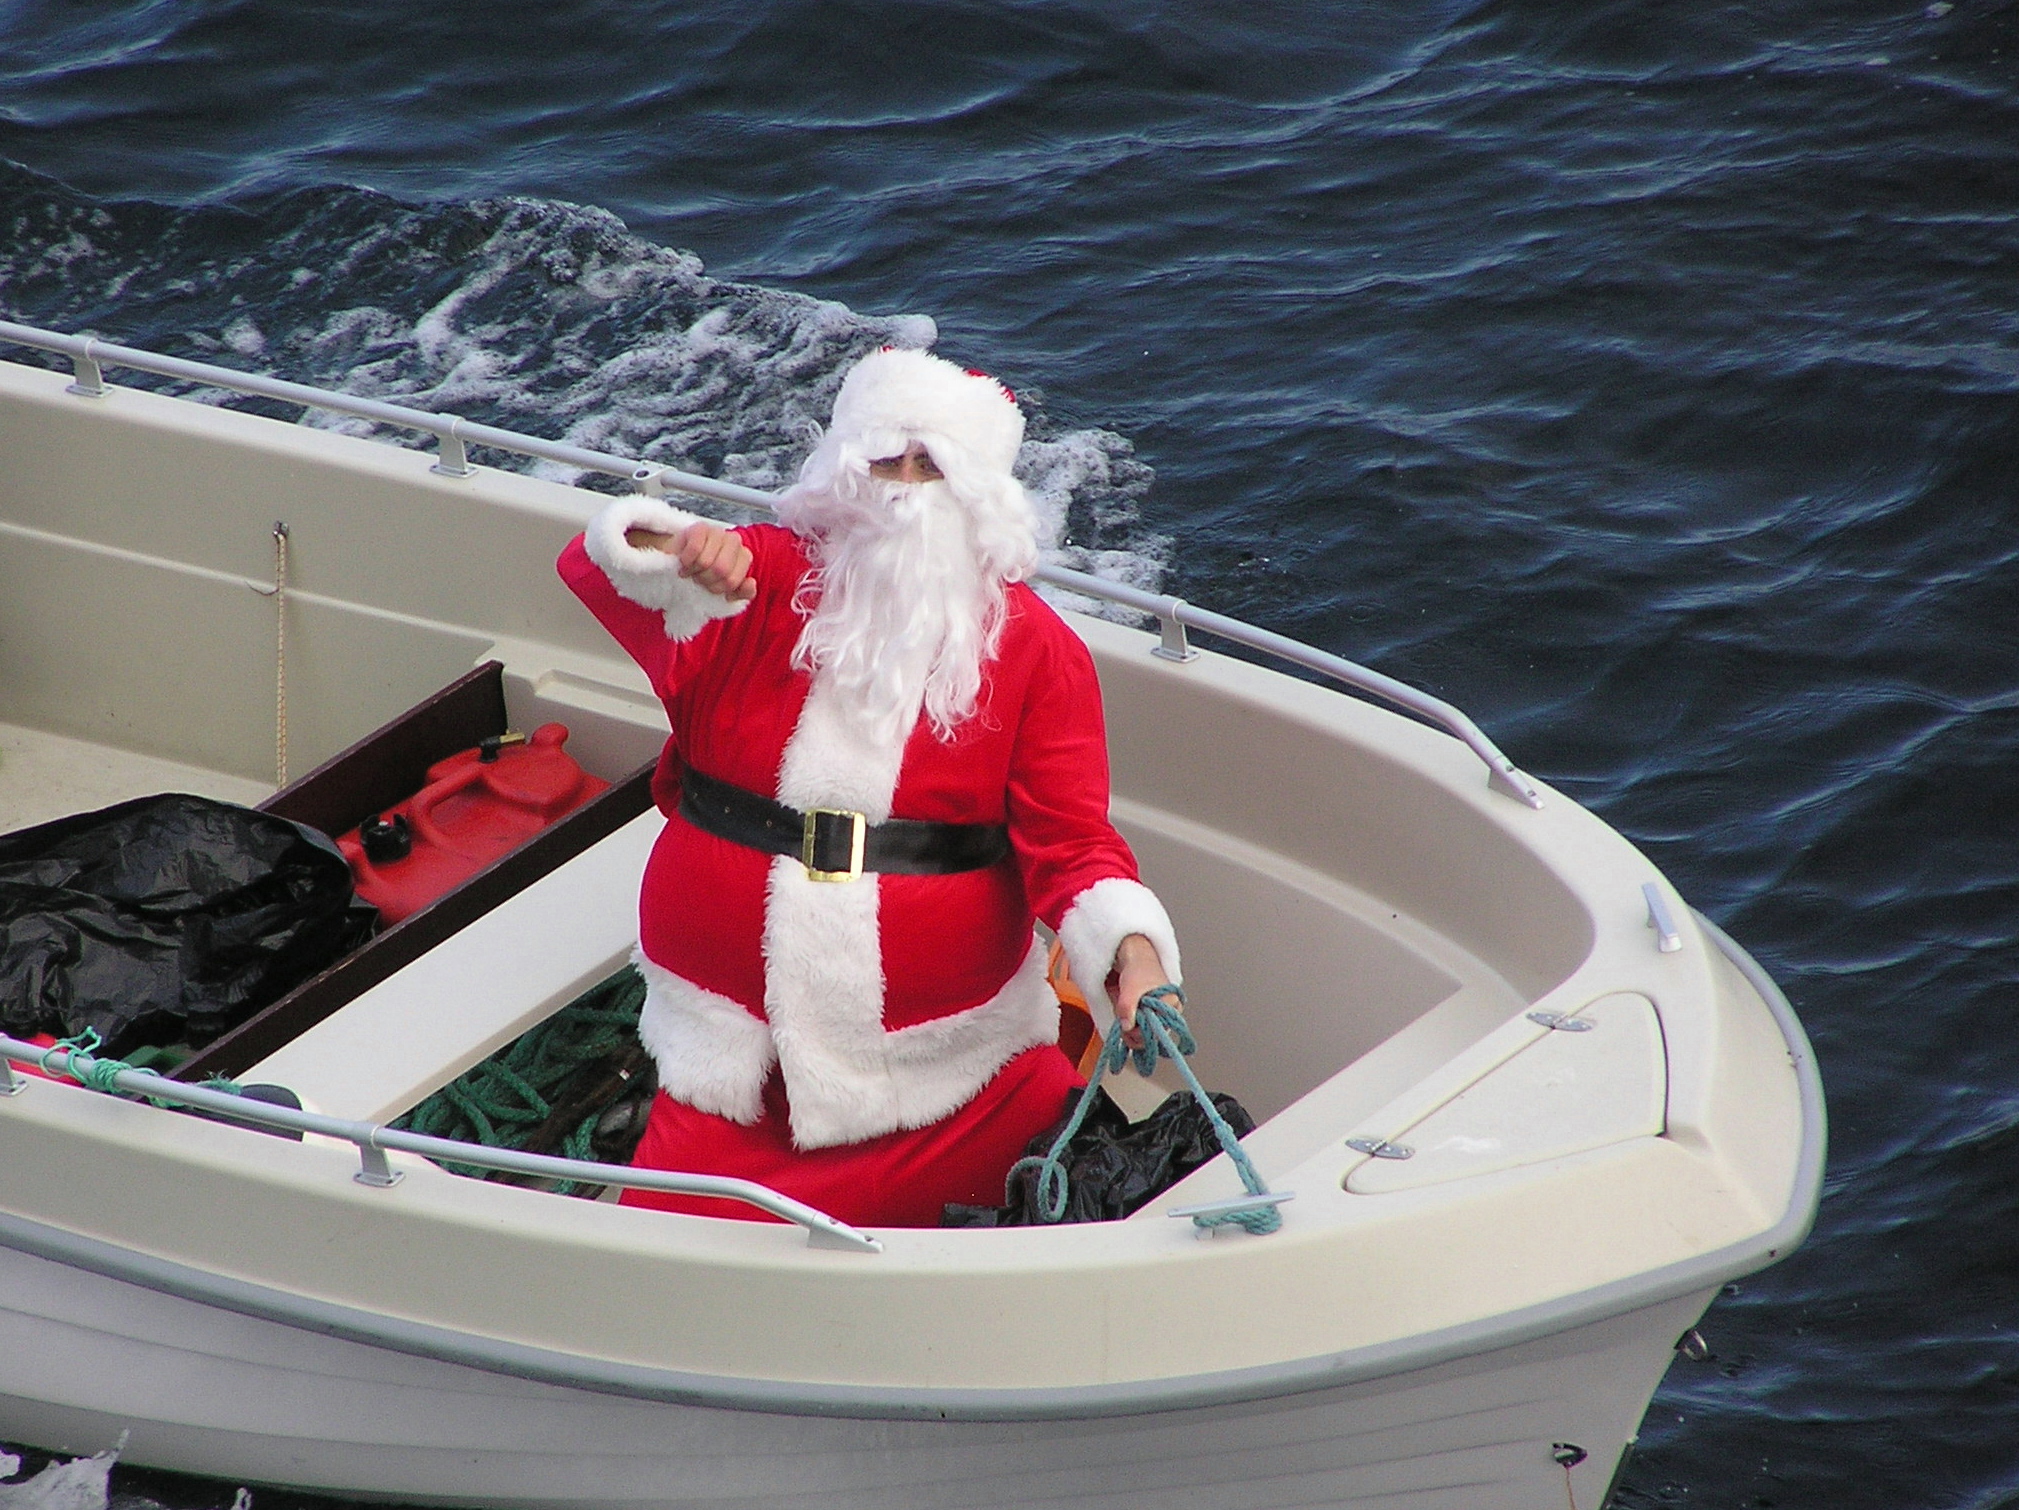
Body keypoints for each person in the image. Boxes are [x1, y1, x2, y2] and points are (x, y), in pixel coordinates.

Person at [557, 346, 1181, 1228]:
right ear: (844, 472)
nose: (904, 490)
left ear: (979, 497)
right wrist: (673, 548)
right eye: (886, 461)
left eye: (933, 468)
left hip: (958, 1081)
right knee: (664, 1257)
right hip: (731, 1072)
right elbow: (597, 569)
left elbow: (1072, 844)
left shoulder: (1039, 651)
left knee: (1064, 1225)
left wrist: (1133, 952)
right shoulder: (753, 581)